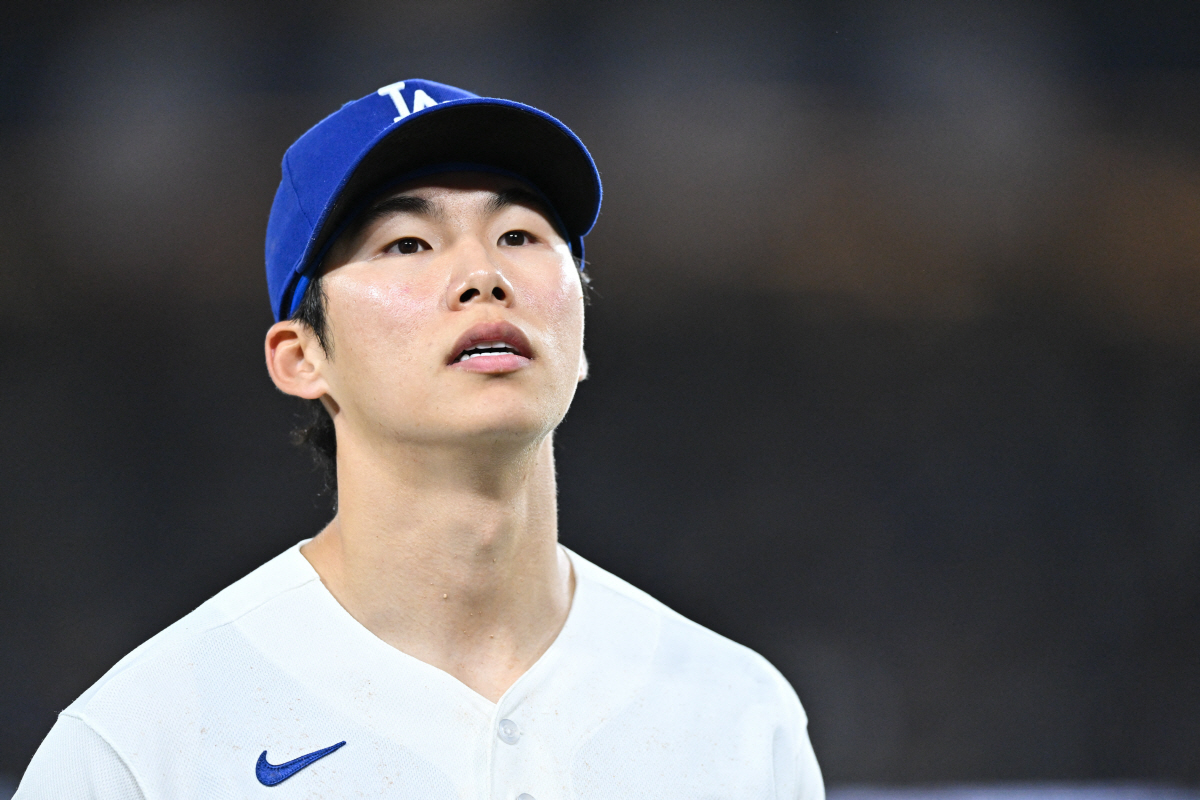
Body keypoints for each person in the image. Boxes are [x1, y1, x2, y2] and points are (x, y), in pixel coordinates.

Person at [16, 78, 824, 799]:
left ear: (580, 340)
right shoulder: (141, 747)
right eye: (407, 244)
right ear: (302, 357)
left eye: (519, 236)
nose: (482, 274)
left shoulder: (741, 718)